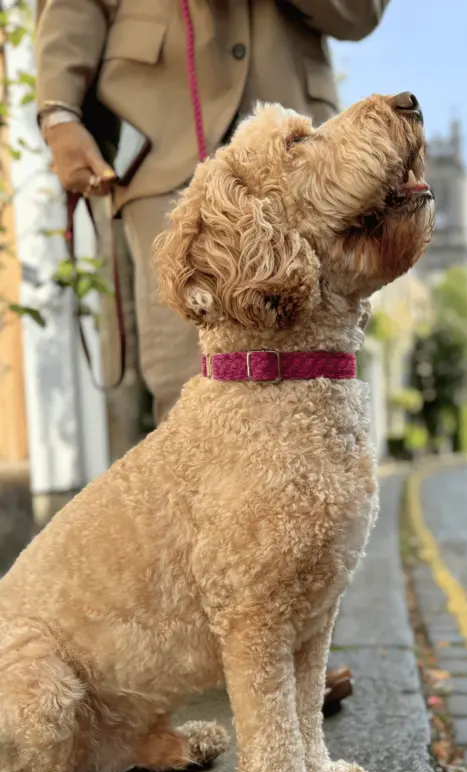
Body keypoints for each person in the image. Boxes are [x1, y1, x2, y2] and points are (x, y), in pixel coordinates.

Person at [35, 0, 389, 713]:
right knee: (188, 384)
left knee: (313, 378)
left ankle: (284, 637)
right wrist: (57, 113)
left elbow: (360, 13)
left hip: (294, 134)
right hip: (156, 138)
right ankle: (228, 637)